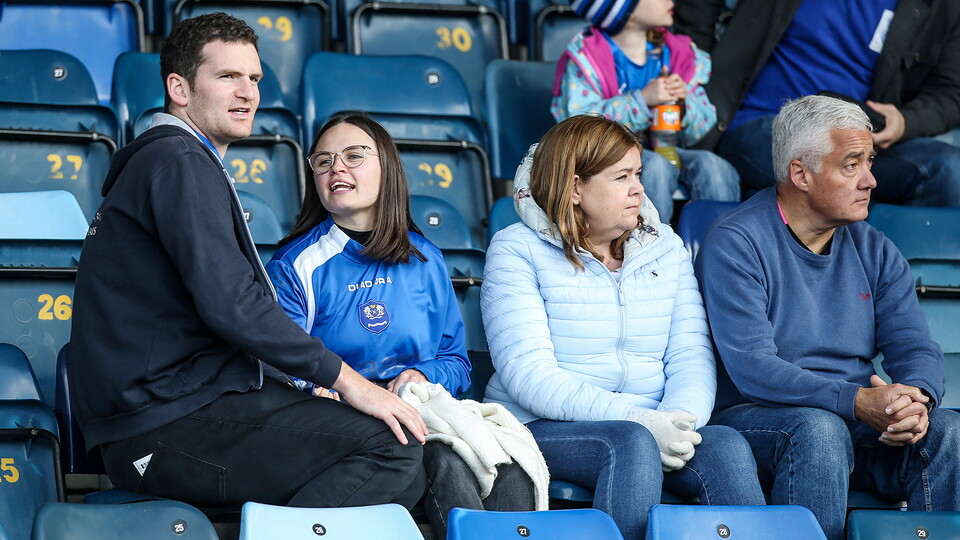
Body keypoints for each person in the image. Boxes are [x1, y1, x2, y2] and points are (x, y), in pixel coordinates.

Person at [69, 13, 428, 509]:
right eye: (227, 77)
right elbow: (232, 304)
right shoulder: (176, 162)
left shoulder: (177, 161)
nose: (247, 93)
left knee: (405, 460)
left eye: (254, 78)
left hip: (181, 408)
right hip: (158, 425)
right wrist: (352, 384)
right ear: (179, 87)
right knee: (390, 449)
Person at [481, 114, 764, 539]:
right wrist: (642, 423)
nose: (639, 189)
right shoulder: (515, 249)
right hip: (542, 425)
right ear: (576, 188)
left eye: (638, 174)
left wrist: (678, 424)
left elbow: (690, 353)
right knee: (630, 444)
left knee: (725, 445)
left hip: (653, 421)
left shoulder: (665, 246)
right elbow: (529, 376)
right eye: (621, 177)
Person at [695, 95, 960, 540]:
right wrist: (855, 402)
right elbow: (753, 369)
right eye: (851, 164)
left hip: (856, 421)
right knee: (820, 430)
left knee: (948, 430)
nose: (871, 180)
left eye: (870, 162)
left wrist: (914, 400)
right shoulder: (736, 242)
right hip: (760, 418)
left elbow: (913, 345)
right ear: (800, 173)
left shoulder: (874, 247)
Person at [266, 113, 539, 539]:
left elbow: (456, 363)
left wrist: (421, 374)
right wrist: (349, 392)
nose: (336, 168)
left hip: (422, 412)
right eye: (323, 161)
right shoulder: (296, 265)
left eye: (354, 156)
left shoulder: (425, 258)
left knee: (508, 466)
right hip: (344, 426)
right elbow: (283, 367)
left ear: (387, 167)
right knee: (443, 461)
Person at [674, 0, 960, 205]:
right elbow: (695, 11)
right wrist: (699, 70)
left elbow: (950, 94)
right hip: (762, 120)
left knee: (948, 169)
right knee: (830, 173)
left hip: (860, 138)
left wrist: (905, 122)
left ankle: (894, 284)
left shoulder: (943, 7)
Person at [552, 0, 739, 225]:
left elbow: (702, 126)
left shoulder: (677, 53)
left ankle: (719, 252)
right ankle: (647, 250)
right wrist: (642, 100)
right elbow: (577, 128)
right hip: (610, 161)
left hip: (669, 149)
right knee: (655, 167)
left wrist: (683, 106)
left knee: (714, 166)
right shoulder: (588, 57)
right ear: (626, 11)